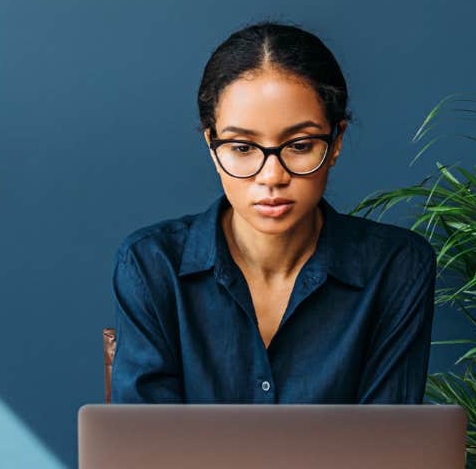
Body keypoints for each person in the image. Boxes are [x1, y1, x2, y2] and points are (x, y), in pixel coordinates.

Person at [110, 21, 436, 403]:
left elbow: (389, 446)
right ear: (212, 148)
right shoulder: (151, 265)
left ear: (336, 142)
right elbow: (146, 449)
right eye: (242, 148)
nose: (272, 176)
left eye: (299, 145)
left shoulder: (396, 267)